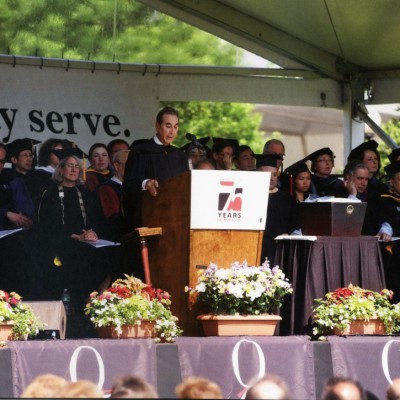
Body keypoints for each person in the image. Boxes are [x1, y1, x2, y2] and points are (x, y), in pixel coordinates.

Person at [37, 151, 111, 319]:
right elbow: (49, 225)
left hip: (85, 242)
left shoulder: (85, 193)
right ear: (61, 170)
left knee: (107, 257)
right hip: (59, 243)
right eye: (70, 166)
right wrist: (77, 237)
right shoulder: (50, 194)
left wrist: (92, 232)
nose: (74, 169)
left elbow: (96, 219)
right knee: (75, 259)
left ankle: (94, 301)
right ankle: (74, 307)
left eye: (77, 166)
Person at [122, 106, 189, 228]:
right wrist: (146, 183)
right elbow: (129, 183)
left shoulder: (179, 155)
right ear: (157, 126)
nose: (172, 132)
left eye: (175, 126)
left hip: (176, 219)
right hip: (150, 218)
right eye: (168, 126)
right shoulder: (140, 151)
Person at [255, 153, 298, 266]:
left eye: (274, 174)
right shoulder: (251, 196)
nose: (272, 178)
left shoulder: (286, 199)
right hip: (255, 247)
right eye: (268, 174)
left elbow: (294, 222)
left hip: (279, 249)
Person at [376, 161, 400, 302]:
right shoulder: (381, 201)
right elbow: (378, 223)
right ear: (391, 182)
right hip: (392, 248)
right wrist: (385, 229)